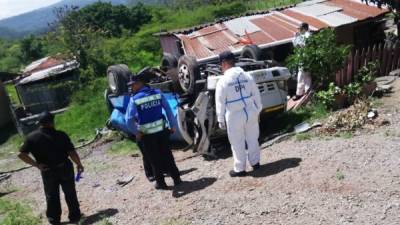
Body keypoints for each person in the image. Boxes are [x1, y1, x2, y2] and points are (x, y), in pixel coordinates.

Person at [18, 111, 83, 225]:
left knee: (51, 196)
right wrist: (79, 164)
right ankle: (75, 216)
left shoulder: (32, 137)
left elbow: (21, 154)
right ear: (51, 122)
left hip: (48, 171)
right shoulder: (61, 135)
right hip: (64, 168)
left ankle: (54, 220)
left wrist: (37, 165)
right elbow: (71, 152)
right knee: (70, 192)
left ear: (40, 123)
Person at [125, 73, 182, 190]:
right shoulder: (158, 93)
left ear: (140, 83)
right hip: (162, 131)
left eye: (133, 84)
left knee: (154, 159)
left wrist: (137, 132)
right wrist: (173, 125)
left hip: (147, 135)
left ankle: (161, 183)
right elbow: (168, 110)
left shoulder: (134, 99)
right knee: (167, 155)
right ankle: (177, 179)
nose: (132, 87)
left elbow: (128, 120)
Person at [215, 51, 263, 177]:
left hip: (234, 114)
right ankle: (256, 163)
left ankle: (240, 169)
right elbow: (256, 94)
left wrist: (220, 119)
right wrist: (258, 109)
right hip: (250, 110)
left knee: (237, 143)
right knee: (253, 138)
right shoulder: (247, 76)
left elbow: (220, 102)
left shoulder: (223, 80)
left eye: (221, 64)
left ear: (224, 63)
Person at [292, 22, 312, 101]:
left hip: (306, 58)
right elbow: (295, 44)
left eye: (300, 29)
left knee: (301, 76)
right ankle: (307, 91)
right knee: (305, 76)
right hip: (303, 58)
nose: (299, 30)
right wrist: (296, 37)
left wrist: (296, 38)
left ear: (304, 29)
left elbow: (300, 44)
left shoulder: (307, 35)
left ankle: (299, 93)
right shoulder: (303, 35)